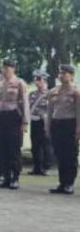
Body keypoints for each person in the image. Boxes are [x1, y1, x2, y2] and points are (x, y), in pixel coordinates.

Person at [0, 59, 30, 190]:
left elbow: (25, 103)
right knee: (3, 148)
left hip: (14, 117)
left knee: (14, 148)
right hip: (2, 116)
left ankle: (15, 177)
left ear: (13, 69)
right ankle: (6, 177)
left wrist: (25, 121)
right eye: (3, 68)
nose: (4, 71)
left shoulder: (19, 83)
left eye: (7, 68)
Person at [46, 64, 80, 195]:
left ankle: (69, 183)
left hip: (69, 124)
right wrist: (48, 126)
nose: (61, 76)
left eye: (64, 73)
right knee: (59, 154)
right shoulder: (54, 91)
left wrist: (78, 128)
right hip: (57, 124)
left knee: (70, 154)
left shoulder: (76, 92)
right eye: (60, 73)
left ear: (71, 76)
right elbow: (49, 111)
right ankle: (62, 182)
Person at [29, 70, 52, 176]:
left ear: (44, 80)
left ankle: (46, 167)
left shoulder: (49, 94)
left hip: (44, 122)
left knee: (46, 145)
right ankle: (37, 167)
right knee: (35, 145)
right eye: (35, 79)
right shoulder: (32, 94)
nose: (36, 81)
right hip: (35, 121)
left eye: (38, 79)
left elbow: (51, 109)